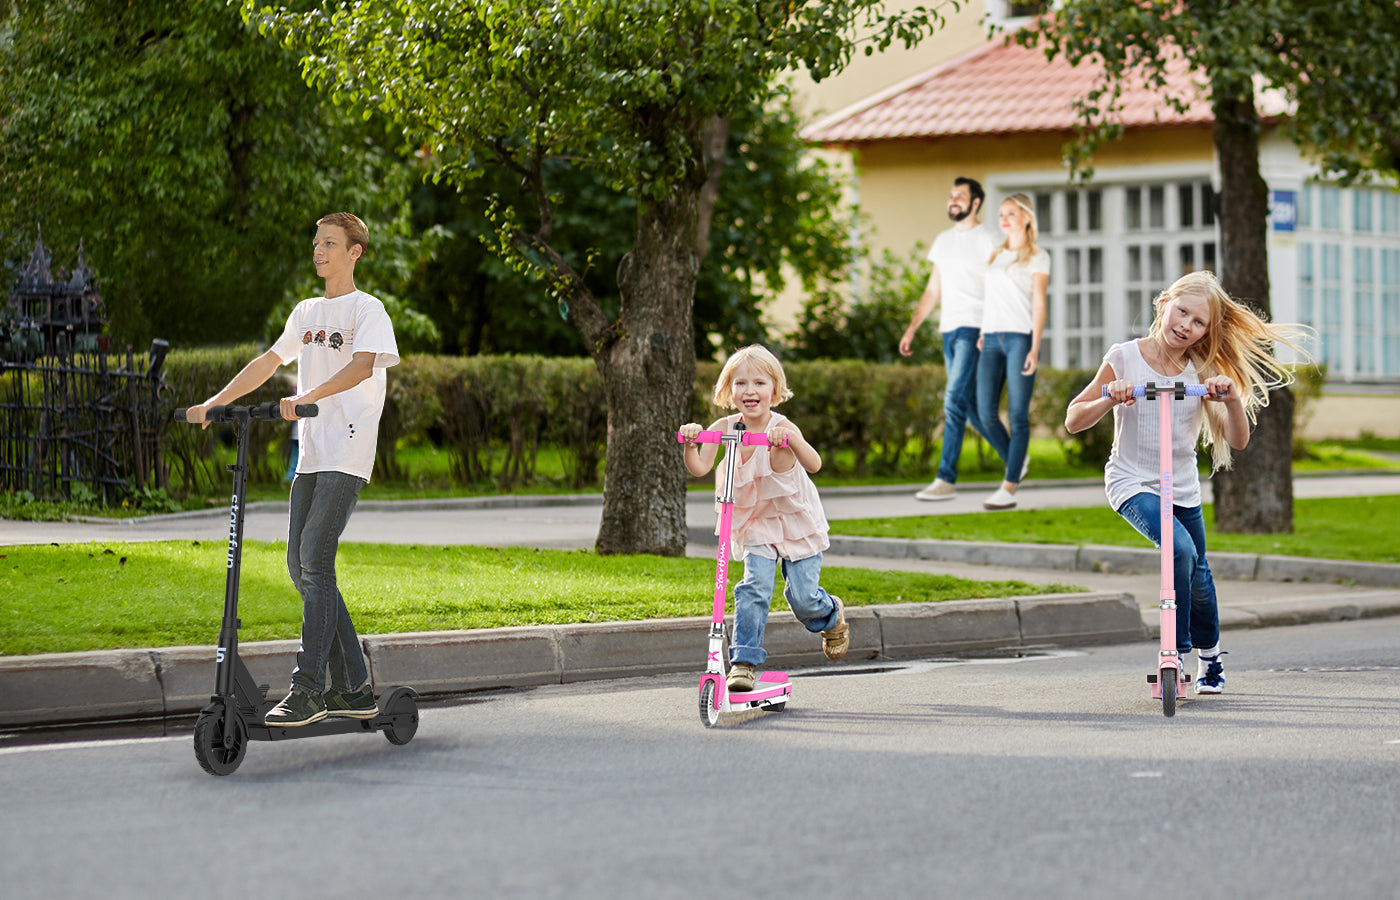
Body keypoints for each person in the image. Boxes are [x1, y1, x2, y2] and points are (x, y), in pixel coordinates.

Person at [184, 212, 399, 726]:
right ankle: (354, 686)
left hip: (347, 450)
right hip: (312, 451)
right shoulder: (305, 312)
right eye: (316, 242)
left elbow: (362, 366)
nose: (318, 250)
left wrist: (308, 395)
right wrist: (215, 403)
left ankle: (309, 689)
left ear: (355, 252)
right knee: (300, 566)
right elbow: (268, 361)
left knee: (313, 558)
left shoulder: (368, 310)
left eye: (329, 243)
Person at [1064, 270, 1311, 694]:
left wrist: (1231, 397)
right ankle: (1174, 653)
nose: (1186, 325)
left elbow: (1238, 440)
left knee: (1198, 574)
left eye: (1199, 323)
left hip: (1181, 487)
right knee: (1178, 550)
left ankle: (1211, 659)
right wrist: (1110, 395)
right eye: (1182, 312)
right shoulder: (1124, 356)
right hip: (1132, 481)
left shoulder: (1203, 368)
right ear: (1164, 305)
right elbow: (1072, 419)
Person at [679, 345, 848, 692]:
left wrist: (788, 441)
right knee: (753, 588)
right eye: (741, 383)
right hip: (755, 522)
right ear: (729, 390)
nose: (750, 391)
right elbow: (699, 467)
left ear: (774, 389)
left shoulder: (782, 425)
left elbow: (814, 464)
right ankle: (743, 662)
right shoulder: (724, 427)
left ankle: (830, 615)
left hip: (795, 523)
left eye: (759, 383)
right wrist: (690, 443)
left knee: (803, 599)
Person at [899, 176, 1002, 501]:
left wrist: (989, 328)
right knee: (968, 406)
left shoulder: (987, 238)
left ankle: (946, 479)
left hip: (974, 328)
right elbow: (933, 290)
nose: (952, 200)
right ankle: (1016, 456)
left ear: (975, 203)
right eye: (950, 195)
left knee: (953, 401)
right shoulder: (943, 241)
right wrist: (912, 327)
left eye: (960, 196)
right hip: (950, 328)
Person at [976, 193, 1048, 510]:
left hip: (1020, 338)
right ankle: (1017, 459)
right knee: (984, 412)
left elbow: (1039, 302)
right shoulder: (994, 255)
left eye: (1011, 213)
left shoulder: (1038, 257)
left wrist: (1035, 345)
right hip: (990, 338)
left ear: (1027, 218)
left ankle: (1009, 486)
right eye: (1001, 214)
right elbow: (988, 298)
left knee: (1018, 416)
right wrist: (981, 330)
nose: (1003, 219)